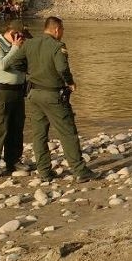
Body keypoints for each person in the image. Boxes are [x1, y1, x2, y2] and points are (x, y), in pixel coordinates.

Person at [15, 16, 99, 183]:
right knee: (67, 132)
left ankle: (44, 171)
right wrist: (70, 82)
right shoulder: (57, 46)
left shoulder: (29, 44)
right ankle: (79, 170)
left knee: (39, 134)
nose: (62, 33)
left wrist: (30, 72)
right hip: (53, 95)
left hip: (34, 94)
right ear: (56, 29)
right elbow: (62, 68)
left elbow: (15, 62)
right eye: (62, 30)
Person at [0, 20, 32, 177]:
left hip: (18, 92)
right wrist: (15, 48)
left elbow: (25, 66)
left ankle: (13, 160)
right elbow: (2, 65)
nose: (23, 40)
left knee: (16, 128)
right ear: (13, 34)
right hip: (2, 93)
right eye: (21, 36)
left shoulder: (19, 46)